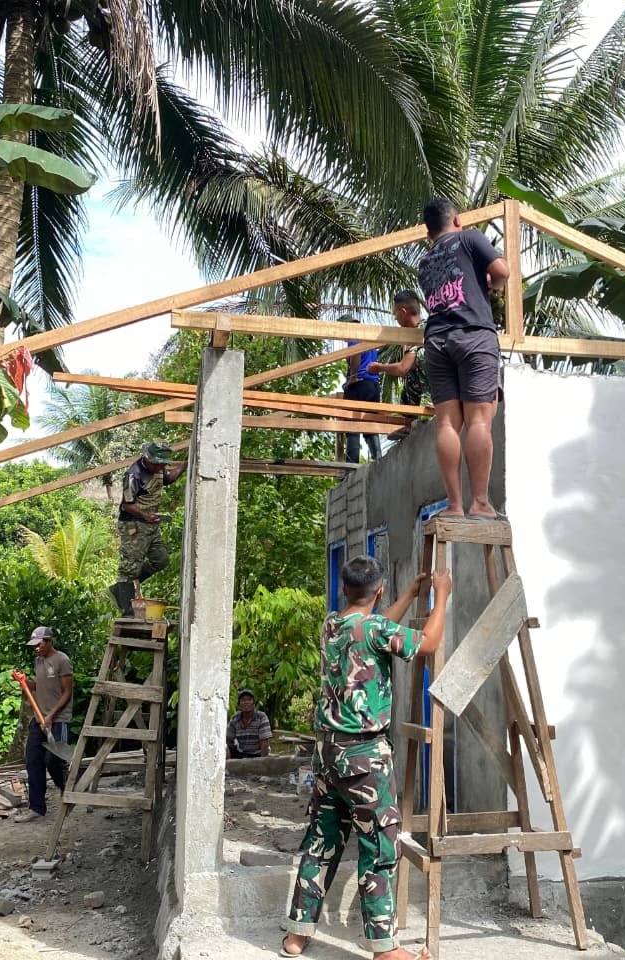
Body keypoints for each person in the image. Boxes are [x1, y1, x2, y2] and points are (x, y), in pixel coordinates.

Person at [281, 556, 451, 960]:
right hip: (364, 758)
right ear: (379, 590)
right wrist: (441, 596)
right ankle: (384, 949)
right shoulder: (374, 630)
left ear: (343, 590)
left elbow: (375, 627)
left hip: (327, 754)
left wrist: (408, 595)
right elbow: (426, 644)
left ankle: (296, 935)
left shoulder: (332, 625)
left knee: (321, 842)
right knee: (379, 848)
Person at [416, 198, 509, 520]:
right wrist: (495, 287)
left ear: (429, 232)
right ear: (456, 220)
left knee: (446, 424)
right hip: (473, 335)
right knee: (479, 421)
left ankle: (454, 506)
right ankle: (480, 502)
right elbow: (502, 270)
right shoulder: (469, 237)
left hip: (437, 342)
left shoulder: (425, 261)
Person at [109, 442, 186, 616]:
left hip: (151, 524)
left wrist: (184, 466)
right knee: (129, 567)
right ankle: (127, 610)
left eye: (163, 464)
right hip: (133, 524)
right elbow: (127, 505)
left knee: (161, 560)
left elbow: (168, 479)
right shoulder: (133, 475)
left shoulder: (159, 468)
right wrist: (144, 515)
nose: (160, 467)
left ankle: (118, 589)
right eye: (157, 464)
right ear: (147, 459)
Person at [13, 626, 72, 822]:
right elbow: (40, 686)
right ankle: (36, 808)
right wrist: (24, 682)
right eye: (34, 645)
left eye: (39, 644)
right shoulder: (38, 661)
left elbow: (67, 692)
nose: (36, 648)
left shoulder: (62, 661)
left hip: (58, 719)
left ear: (49, 641)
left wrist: (51, 716)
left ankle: (67, 790)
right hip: (39, 719)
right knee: (33, 761)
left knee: (54, 760)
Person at [367, 290, 429, 409]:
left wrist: (379, 367)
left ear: (403, 312)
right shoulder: (426, 328)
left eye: (395, 313)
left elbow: (403, 368)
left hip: (430, 398)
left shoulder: (418, 333)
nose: (395, 318)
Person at [340, 317, 383, 463]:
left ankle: (352, 466)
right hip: (373, 385)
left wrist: (352, 377)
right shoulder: (368, 340)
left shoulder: (354, 335)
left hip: (359, 384)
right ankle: (378, 459)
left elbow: (356, 354)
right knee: (370, 423)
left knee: (352, 425)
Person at [226, 689, 272, 759]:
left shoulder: (261, 717)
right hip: (241, 753)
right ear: (239, 704)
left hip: (257, 754)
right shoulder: (235, 718)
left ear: (253, 704)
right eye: (243, 700)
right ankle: (227, 765)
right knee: (225, 747)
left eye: (249, 700)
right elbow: (228, 739)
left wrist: (262, 761)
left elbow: (264, 742)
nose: (246, 702)